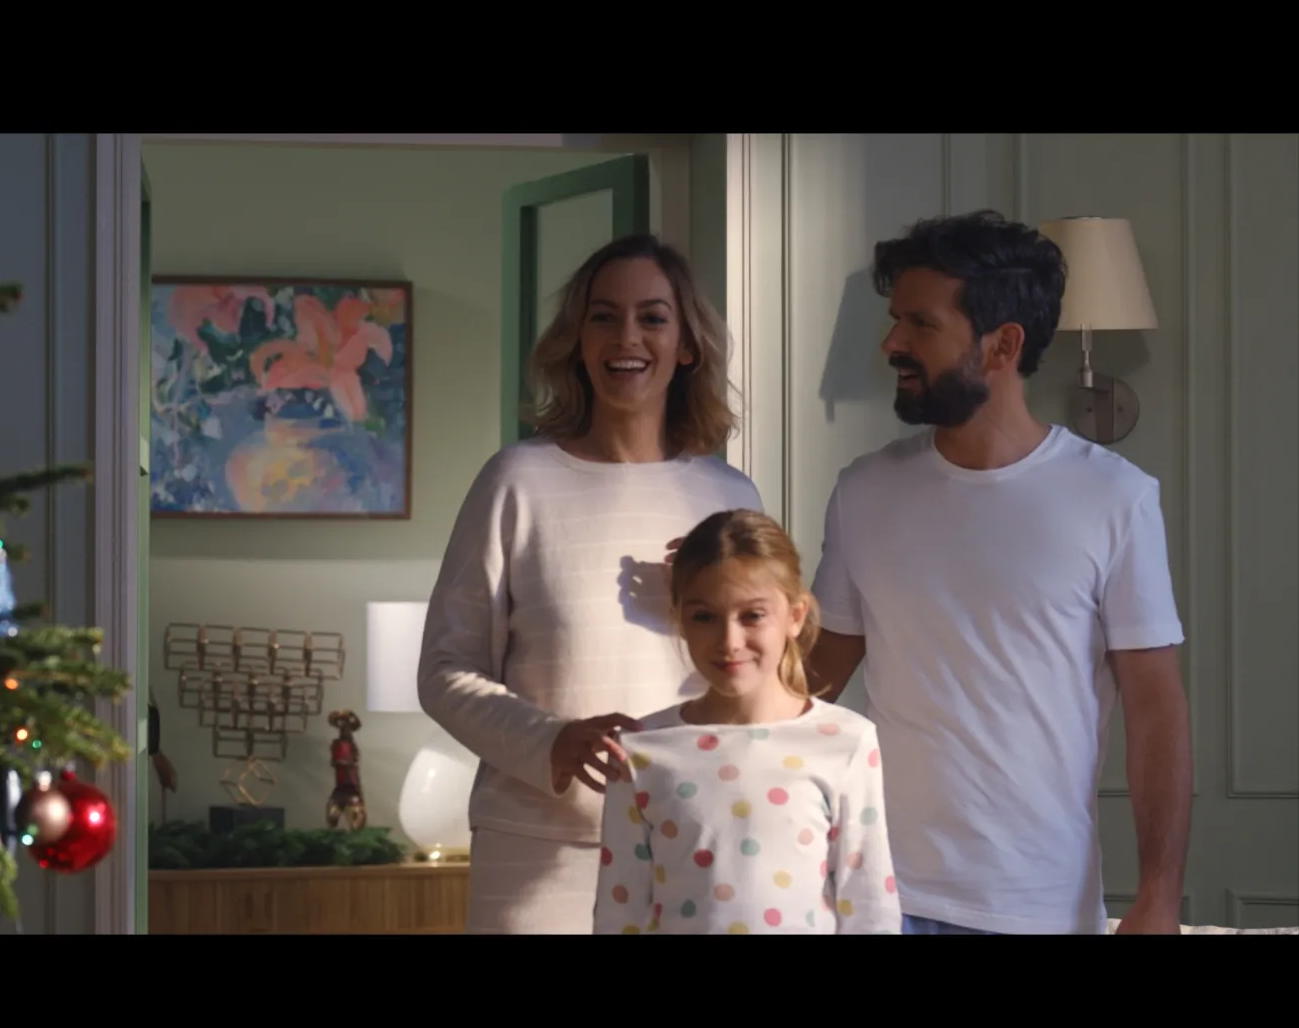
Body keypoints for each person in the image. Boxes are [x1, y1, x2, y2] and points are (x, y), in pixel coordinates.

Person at [801, 209, 1192, 936]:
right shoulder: (864, 493)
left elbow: (1156, 711)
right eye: (895, 321)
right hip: (878, 898)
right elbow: (808, 684)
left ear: (1002, 344)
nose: (892, 343)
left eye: (920, 324)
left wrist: (1160, 897)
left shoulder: (1115, 496)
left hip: (1040, 904)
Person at [417, 234, 763, 934]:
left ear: (686, 345)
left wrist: (706, 610)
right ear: (578, 340)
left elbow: (767, 678)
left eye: (652, 318)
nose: (626, 337)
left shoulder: (728, 497)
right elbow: (445, 670)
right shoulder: (515, 482)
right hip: (535, 852)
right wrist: (554, 740)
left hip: (695, 841)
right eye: (604, 317)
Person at [594, 509, 900, 935]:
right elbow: (618, 912)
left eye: (752, 616)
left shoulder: (847, 741)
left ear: (795, 616)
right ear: (679, 618)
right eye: (705, 617)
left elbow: (869, 909)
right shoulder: (640, 750)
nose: (729, 642)